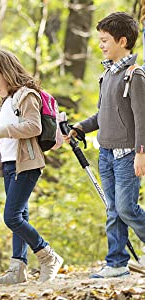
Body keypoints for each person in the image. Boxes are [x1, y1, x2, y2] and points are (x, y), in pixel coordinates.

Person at [0, 49, 63, 285]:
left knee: (12, 217)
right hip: (9, 165)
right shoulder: (7, 102)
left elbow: (33, 127)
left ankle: (48, 256)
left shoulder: (27, 96)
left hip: (27, 164)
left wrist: (2, 131)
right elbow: (1, 138)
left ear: (7, 73)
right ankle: (18, 268)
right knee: (21, 214)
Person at [64, 12, 145, 278]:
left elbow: (142, 119)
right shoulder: (107, 74)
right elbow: (103, 115)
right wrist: (80, 128)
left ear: (123, 41)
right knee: (113, 210)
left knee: (126, 208)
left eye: (105, 40)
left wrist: (141, 153)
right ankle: (117, 264)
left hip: (127, 154)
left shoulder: (135, 76)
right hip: (106, 154)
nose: (100, 45)